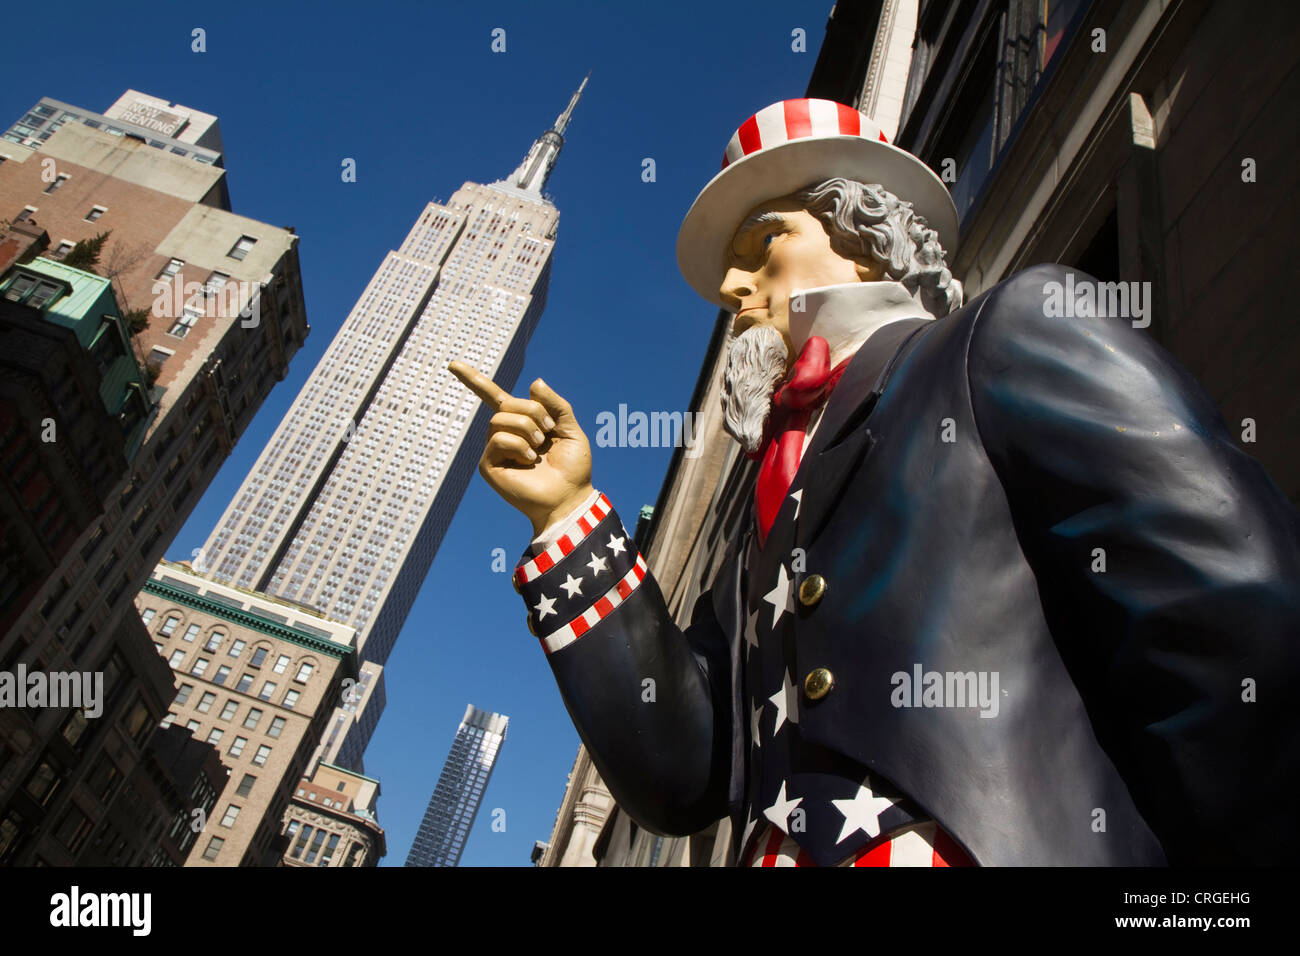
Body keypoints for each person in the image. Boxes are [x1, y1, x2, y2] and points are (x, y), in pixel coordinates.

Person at [451, 98, 1300, 866]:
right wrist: (567, 517)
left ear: (863, 235)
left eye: (761, 246)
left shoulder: (1010, 335)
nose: (734, 289)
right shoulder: (755, 522)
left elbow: (1237, 621)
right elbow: (683, 776)